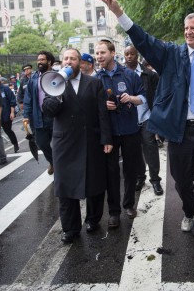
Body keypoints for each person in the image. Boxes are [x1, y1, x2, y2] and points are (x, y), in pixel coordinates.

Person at [100, 0, 194, 265]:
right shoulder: (170, 55)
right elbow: (143, 39)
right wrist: (119, 12)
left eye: (193, 28)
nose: (188, 32)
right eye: (186, 28)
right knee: (181, 180)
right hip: (180, 131)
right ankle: (189, 210)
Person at [42, 49, 113, 242]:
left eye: (73, 58)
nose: (68, 61)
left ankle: (93, 219)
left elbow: (102, 113)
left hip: (90, 140)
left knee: (94, 183)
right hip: (64, 143)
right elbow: (48, 111)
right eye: (65, 58)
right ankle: (70, 229)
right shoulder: (53, 82)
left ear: (79, 62)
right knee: (65, 187)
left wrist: (106, 138)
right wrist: (57, 93)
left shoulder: (94, 83)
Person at [95, 41, 146, 226]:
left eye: (102, 52)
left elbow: (143, 98)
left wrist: (131, 98)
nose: (99, 56)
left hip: (130, 129)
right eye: (97, 53)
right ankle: (114, 212)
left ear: (112, 53)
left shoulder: (130, 75)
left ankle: (129, 204)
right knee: (111, 172)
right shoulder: (96, 78)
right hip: (108, 133)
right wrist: (102, 105)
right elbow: (90, 105)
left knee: (130, 169)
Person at [124, 45, 164, 196]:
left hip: (147, 116)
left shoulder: (149, 75)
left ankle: (155, 180)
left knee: (150, 147)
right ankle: (140, 177)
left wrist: (157, 116)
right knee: (134, 150)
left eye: (132, 54)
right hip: (129, 119)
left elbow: (158, 96)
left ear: (137, 56)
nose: (129, 56)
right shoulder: (121, 74)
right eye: (126, 54)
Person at [23, 51, 55, 175]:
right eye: (38, 60)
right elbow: (28, 98)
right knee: (41, 143)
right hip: (39, 117)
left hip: (55, 117)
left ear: (49, 62)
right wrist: (26, 115)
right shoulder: (33, 78)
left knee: (59, 144)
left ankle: (59, 164)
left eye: (42, 59)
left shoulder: (57, 76)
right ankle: (53, 162)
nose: (39, 62)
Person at [0, 74, 19, 153]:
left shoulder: (5, 88)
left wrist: (12, 112)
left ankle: (15, 143)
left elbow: (12, 100)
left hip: (6, 113)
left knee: (8, 130)